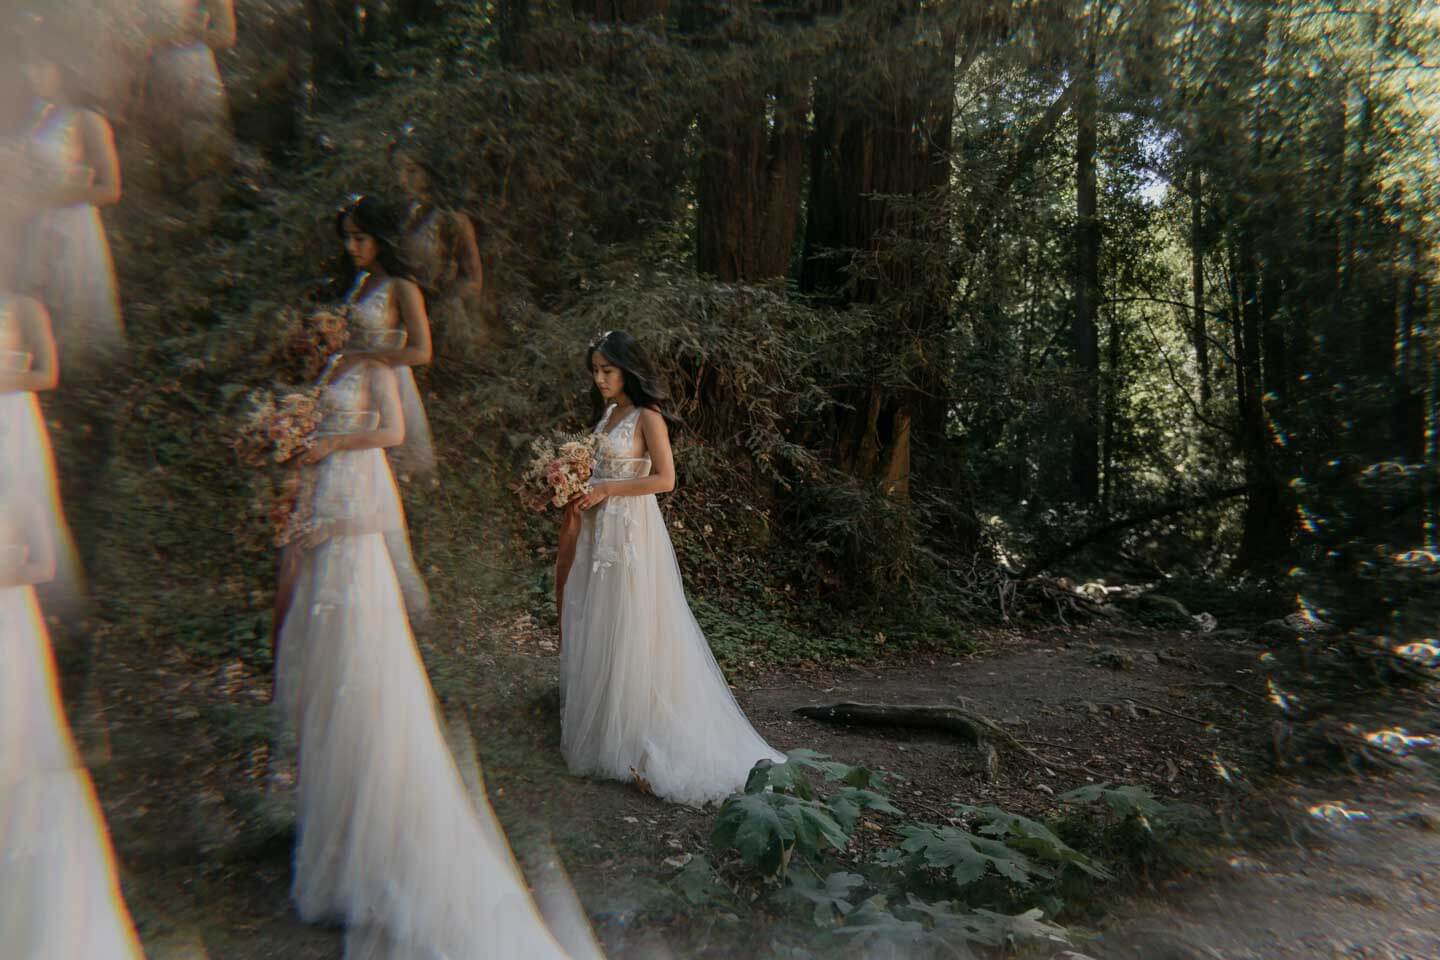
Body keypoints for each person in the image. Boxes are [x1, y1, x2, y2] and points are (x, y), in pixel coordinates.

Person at [274, 353, 577, 958]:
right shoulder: (330, 365)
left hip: (353, 554)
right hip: (319, 542)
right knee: (325, 686)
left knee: (364, 683)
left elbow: (391, 439)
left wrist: (330, 449)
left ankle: (379, 835)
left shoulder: (376, 374)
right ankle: (335, 836)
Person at [560, 331, 785, 807]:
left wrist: (607, 490)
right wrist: (572, 482)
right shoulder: (607, 414)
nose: (599, 378)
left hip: (631, 530)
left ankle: (641, 733)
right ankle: (607, 732)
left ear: (627, 370)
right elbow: (598, 469)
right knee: (603, 618)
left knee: (632, 620)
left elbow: (665, 479)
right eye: (595, 370)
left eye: (607, 370)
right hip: (599, 528)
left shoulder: (647, 416)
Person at [334, 195, 436, 478]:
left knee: (391, 469)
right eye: (347, 238)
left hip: (387, 383)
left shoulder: (402, 287)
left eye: (359, 239)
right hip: (353, 385)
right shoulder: (360, 283)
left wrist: (365, 359)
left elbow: (422, 351)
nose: (350, 247)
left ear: (379, 238)